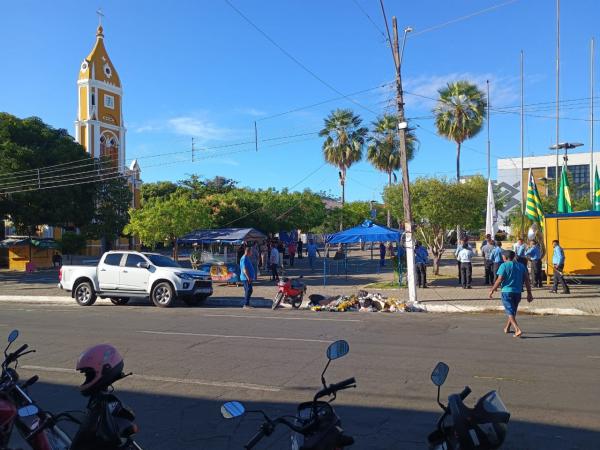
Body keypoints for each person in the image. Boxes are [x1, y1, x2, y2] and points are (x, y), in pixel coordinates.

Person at [489, 250, 533, 337]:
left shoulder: (504, 265)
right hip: (518, 292)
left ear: (505, 257)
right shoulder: (521, 266)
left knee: (510, 311)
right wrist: (529, 293)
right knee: (512, 311)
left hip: (506, 292)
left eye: (503, 257)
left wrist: (492, 289)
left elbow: (499, 279)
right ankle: (507, 328)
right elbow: (527, 280)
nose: (502, 258)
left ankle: (517, 329)